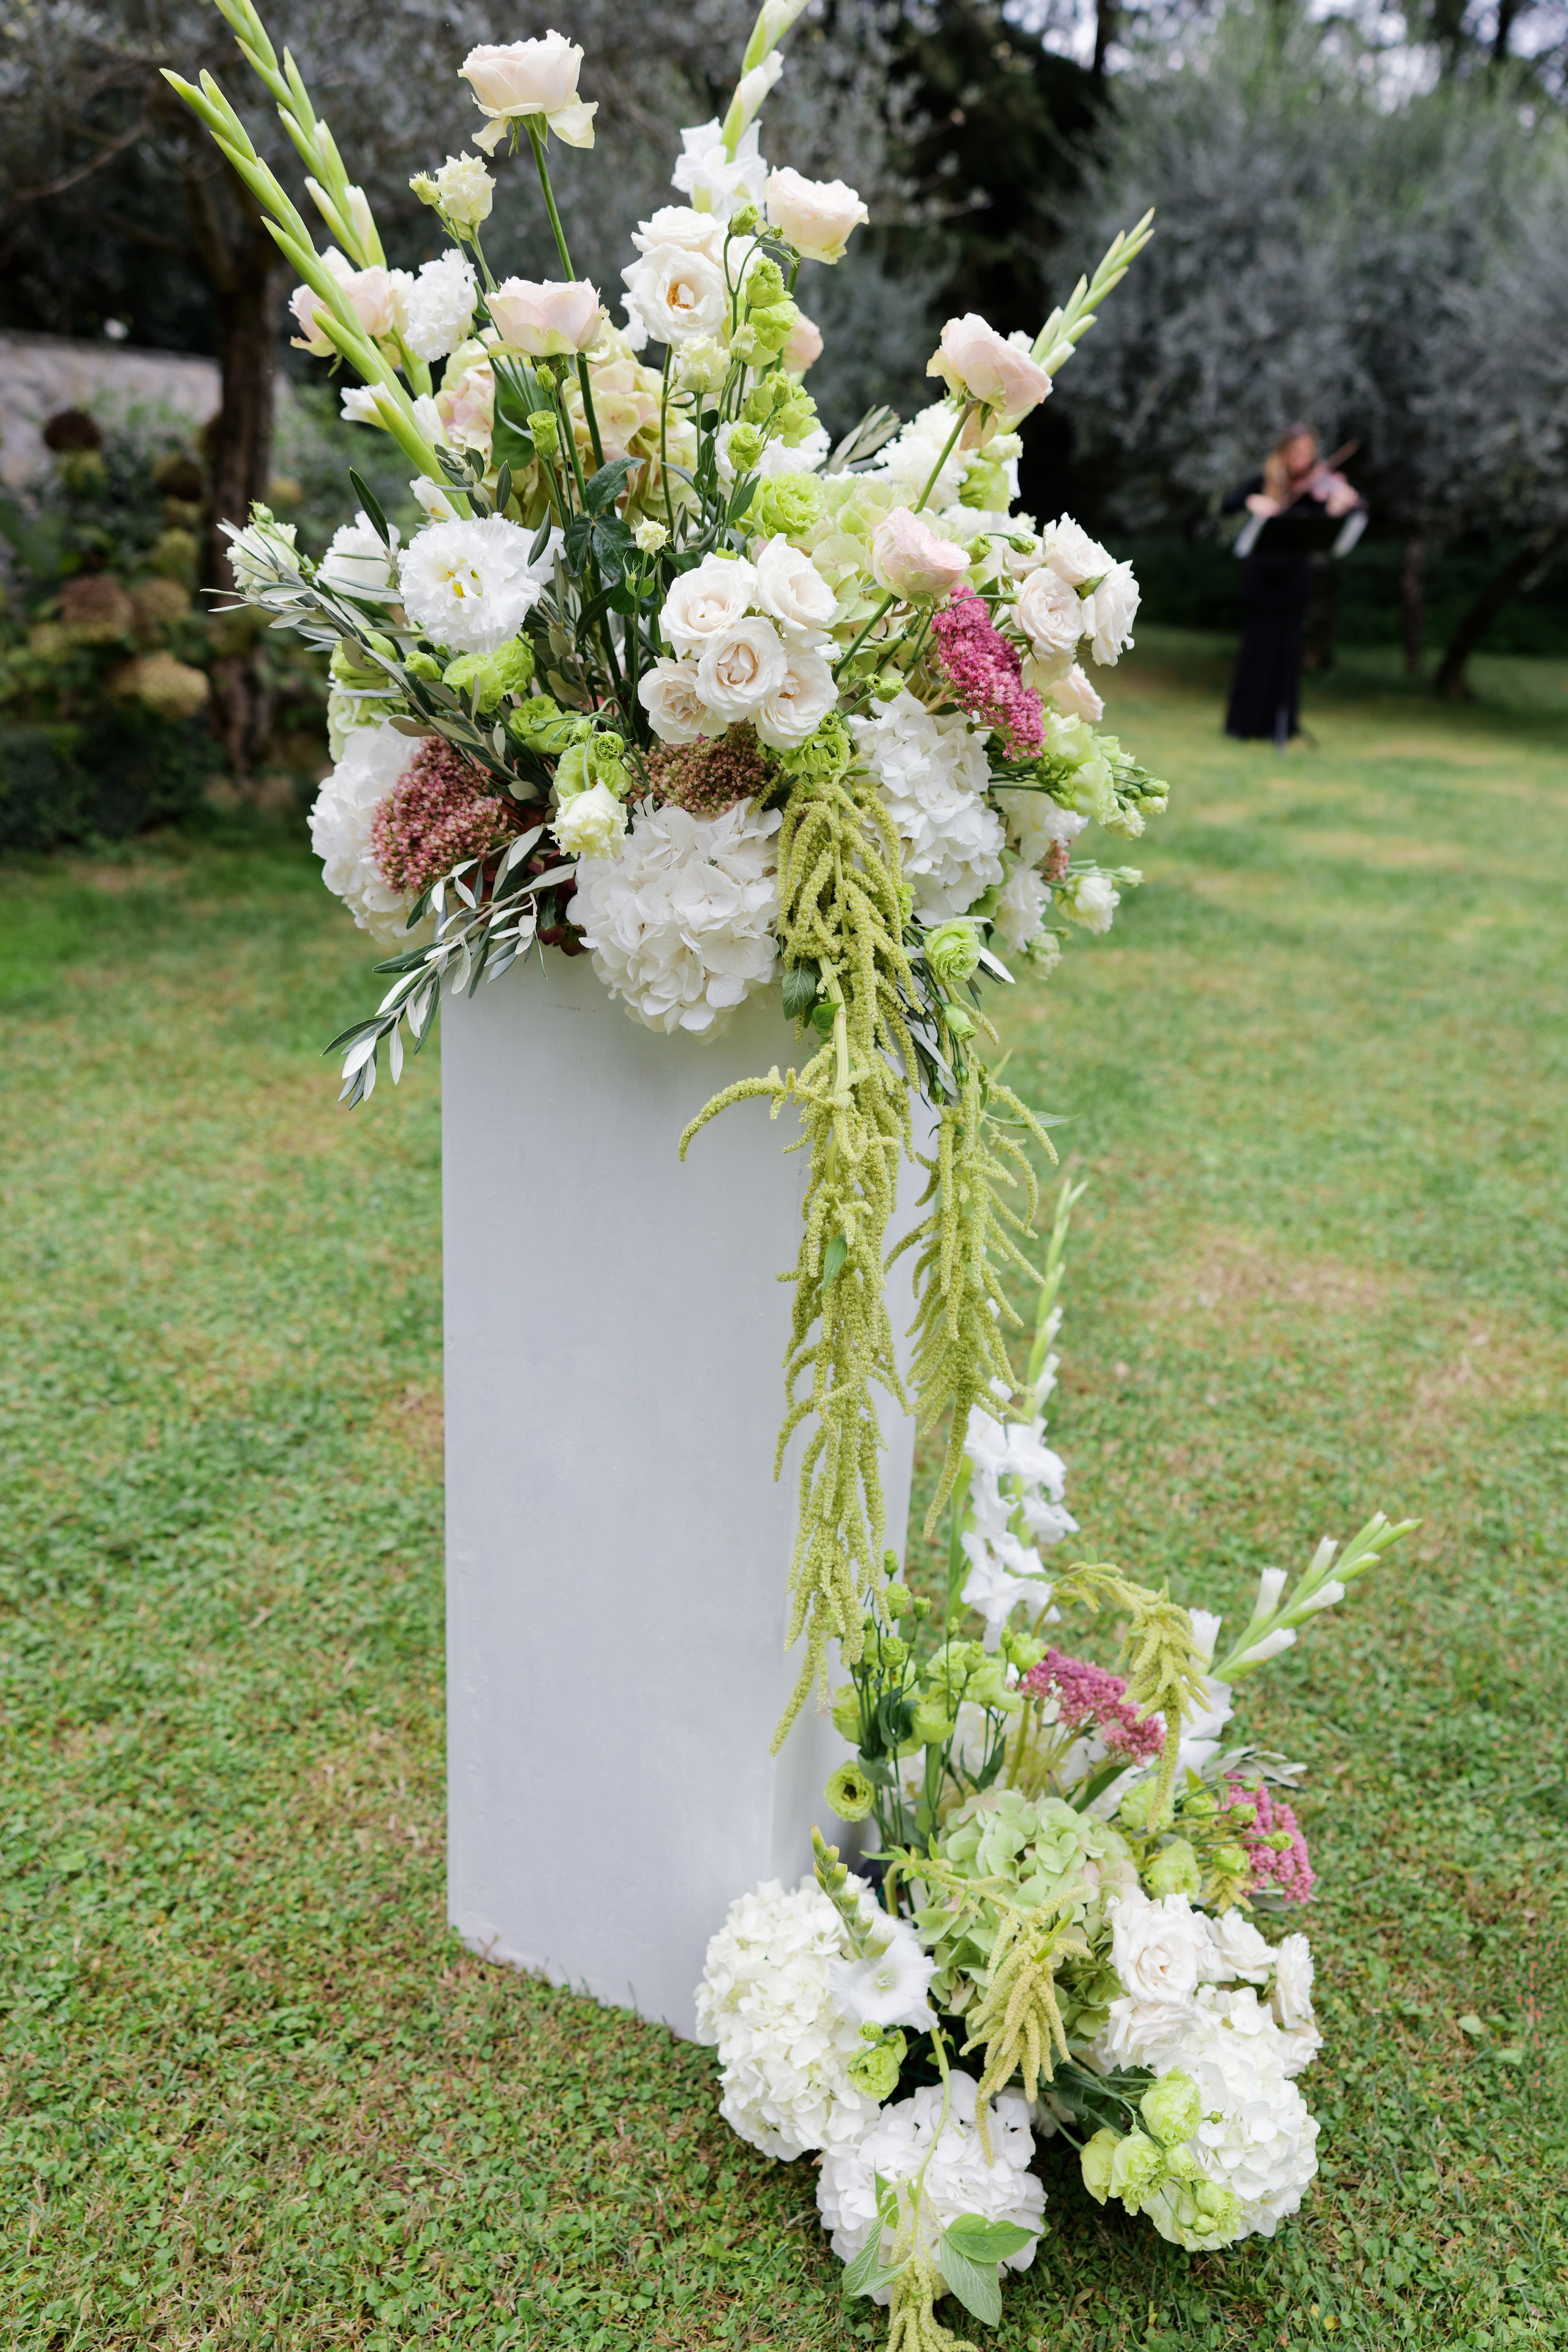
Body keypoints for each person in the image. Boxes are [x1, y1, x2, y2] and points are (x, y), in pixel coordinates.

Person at [1223, 424, 1362, 744]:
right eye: (1297, 452)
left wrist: (1337, 509)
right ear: (1285, 452)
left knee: (1288, 649)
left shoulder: (1318, 487)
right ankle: (1245, 723)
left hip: (1295, 579)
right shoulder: (1266, 480)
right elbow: (1228, 504)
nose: (1303, 459)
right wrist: (1253, 502)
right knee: (1257, 646)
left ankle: (1281, 724)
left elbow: (1328, 524)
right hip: (1261, 576)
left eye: (1309, 453)